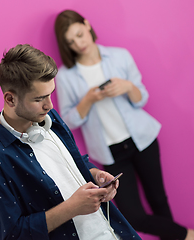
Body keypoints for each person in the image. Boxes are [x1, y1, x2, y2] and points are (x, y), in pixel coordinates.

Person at [0, 44, 141, 240]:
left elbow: (75, 160)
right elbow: (13, 234)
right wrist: (72, 208)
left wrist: (95, 175)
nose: (50, 105)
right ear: (10, 99)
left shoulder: (50, 117)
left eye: (50, 94)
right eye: (39, 99)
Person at [54, 9, 194, 240]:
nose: (78, 44)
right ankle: (187, 235)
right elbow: (68, 121)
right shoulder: (66, 76)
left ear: (87, 25)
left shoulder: (120, 56)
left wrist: (128, 87)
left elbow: (142, 99)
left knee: (159, 200)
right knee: (132, 215)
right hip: (112, 153)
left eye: (79, 34)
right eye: (70, 41)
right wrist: (88, 100)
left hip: (142, 139)